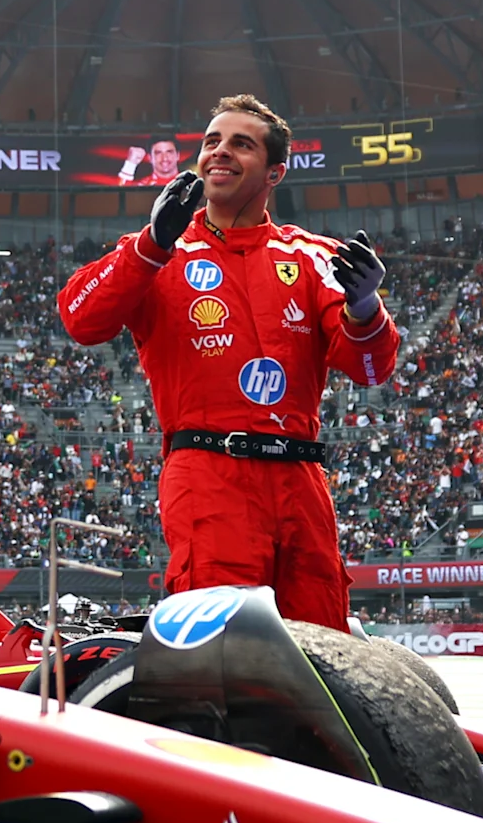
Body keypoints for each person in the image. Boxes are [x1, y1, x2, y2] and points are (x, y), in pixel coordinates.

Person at [54, 94, 398, 632]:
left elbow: (372, 371)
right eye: (212, 141)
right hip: (208, 471)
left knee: (324, 641)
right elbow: (80, 319)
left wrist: (365, 306)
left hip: (302, 478)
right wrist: (151, 243)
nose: (220, 152)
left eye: (241, 143)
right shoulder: (160, 250)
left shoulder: (315, 256)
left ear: (275, 171)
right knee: (220, 646)